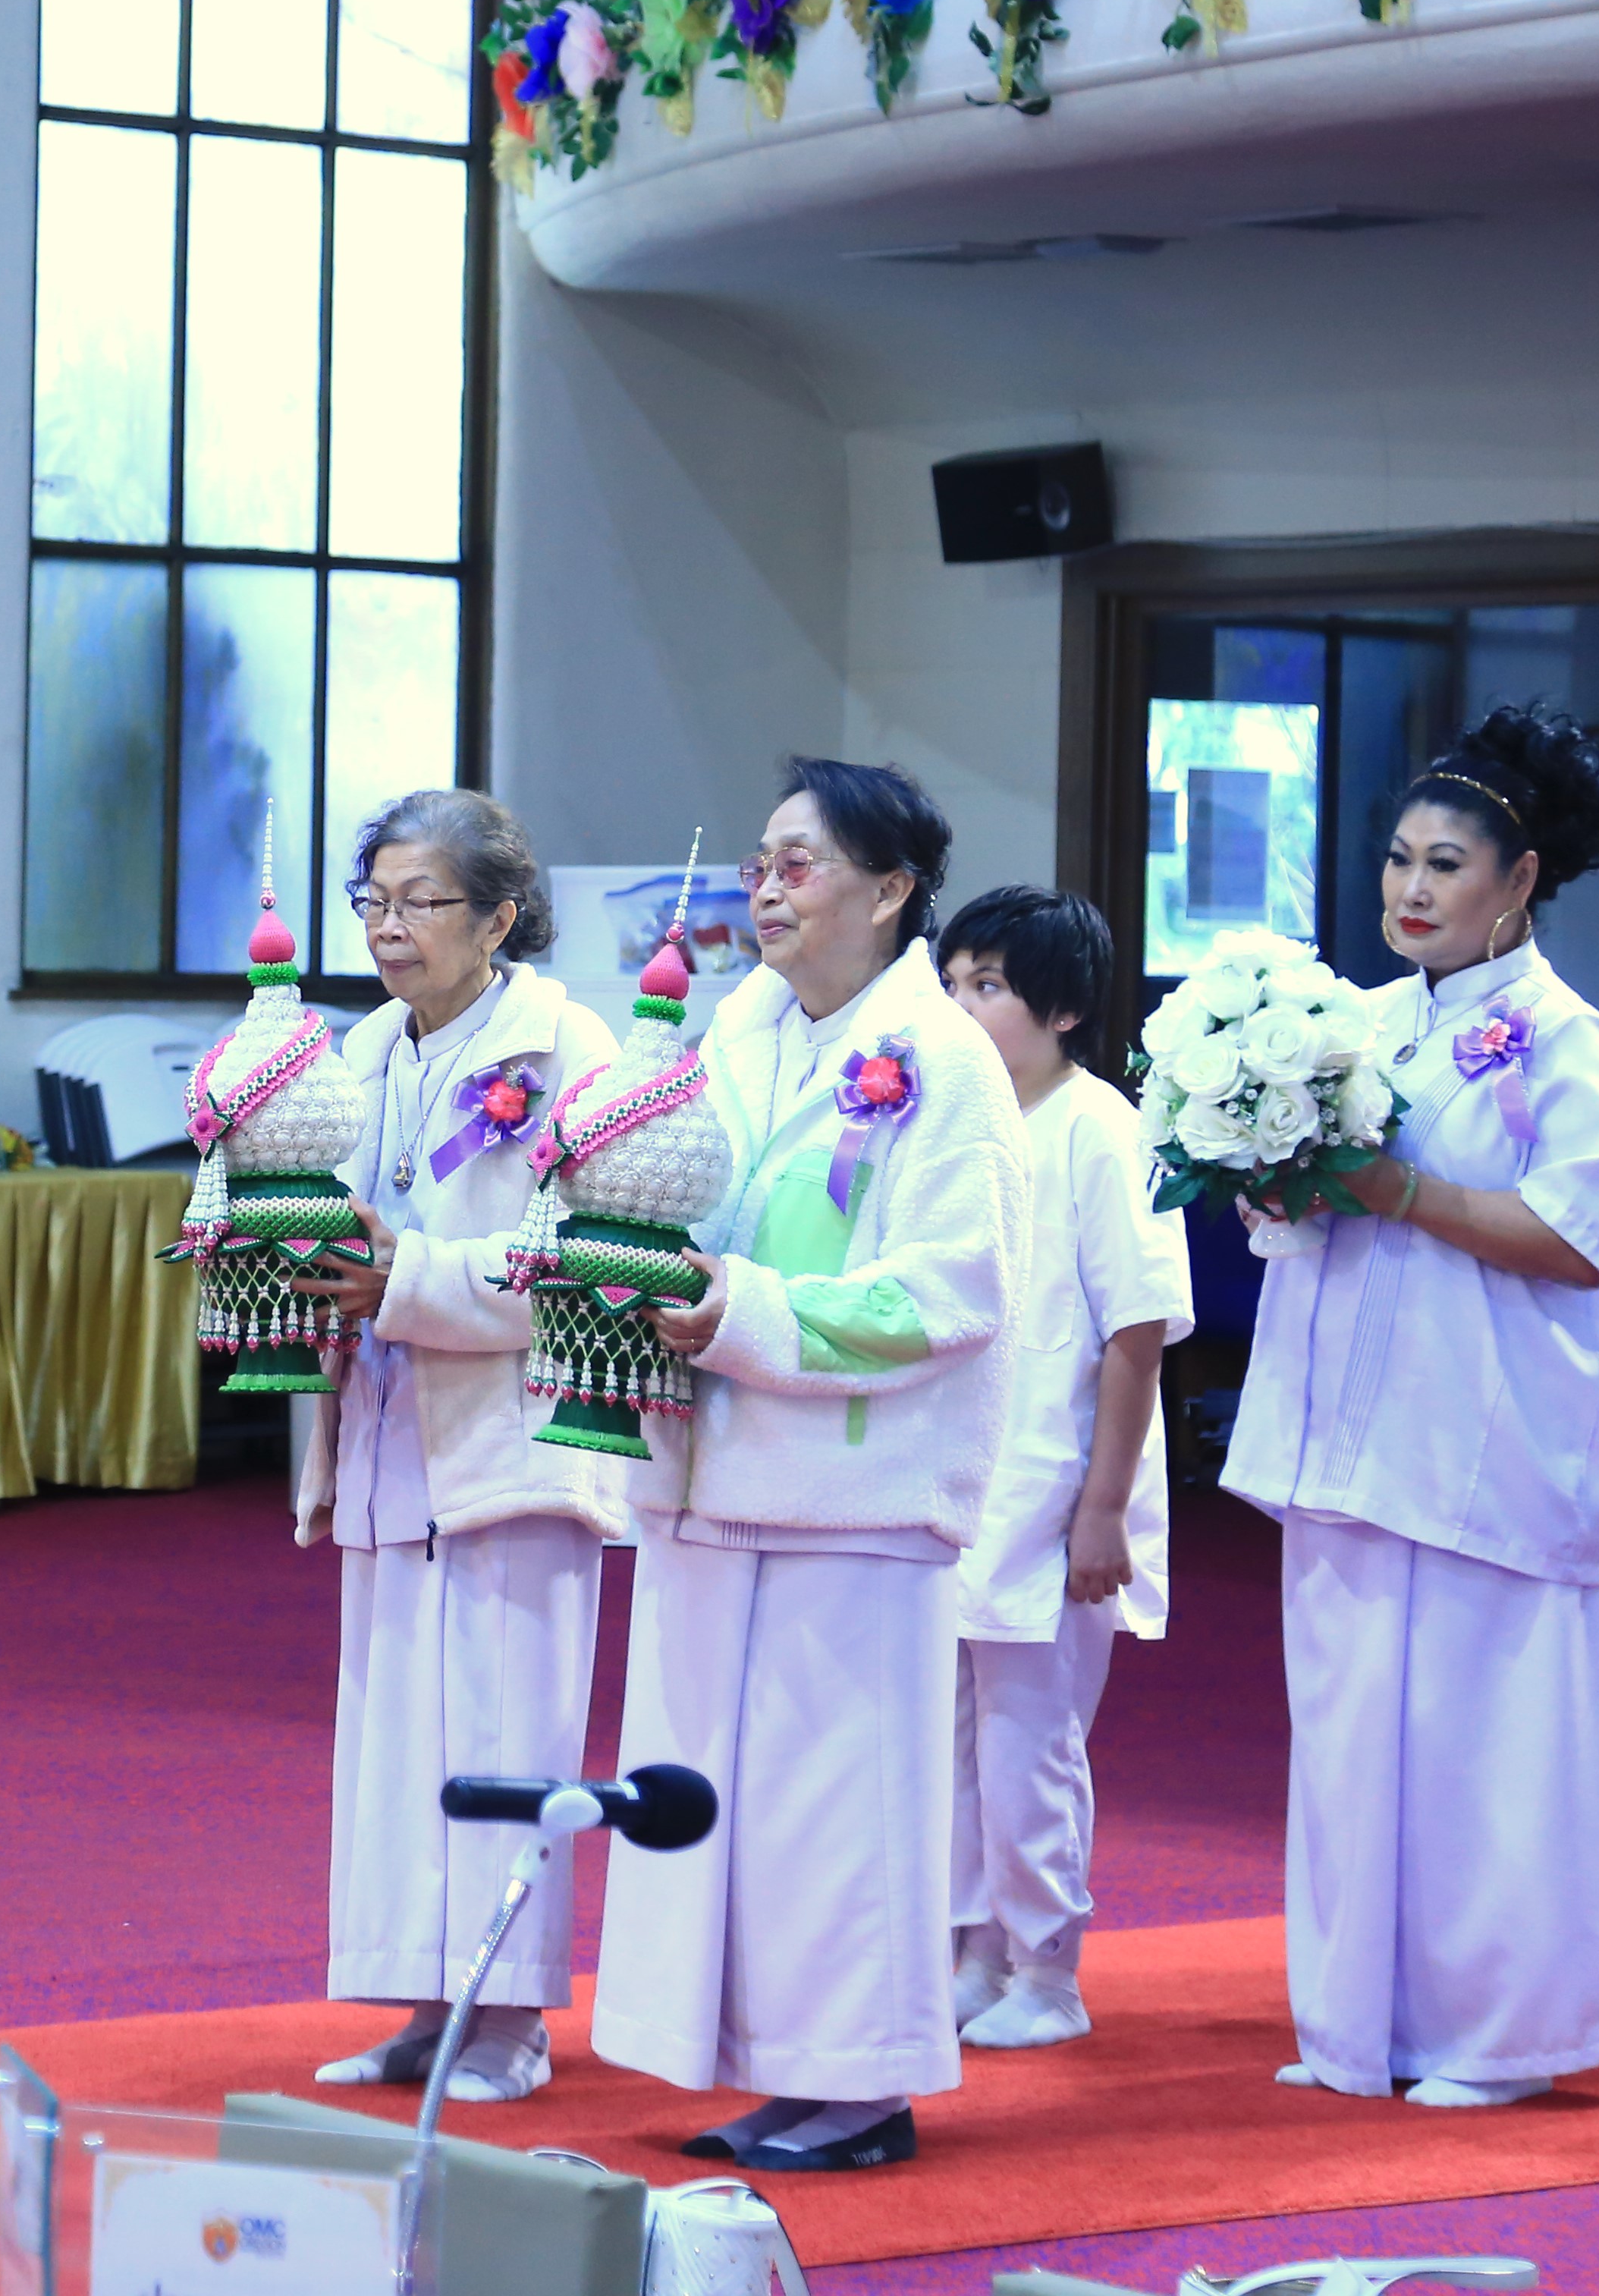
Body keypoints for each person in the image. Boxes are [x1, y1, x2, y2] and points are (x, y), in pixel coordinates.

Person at [592, 756, 1023, 2177]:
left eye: (801, 862)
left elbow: (953, 1293)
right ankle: (774, 2065)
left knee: (842, 1806)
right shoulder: (740, 1025)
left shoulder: (946, 1057)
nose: (766, 889)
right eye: (761, 862)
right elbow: (685, 1190)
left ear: (891, 890)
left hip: (854, 1493)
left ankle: (863, 2085)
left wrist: (741, 1314)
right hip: (715, 1474)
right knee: (730, 1806)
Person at [1221, 705, 1599, 2109]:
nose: (1411, 889)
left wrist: (1400, 1191)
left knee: (1481, 1754)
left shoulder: (1571, 1046)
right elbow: (1317, 1204)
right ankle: (1359, 2029)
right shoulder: (1358, 1025)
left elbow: (1579, 1236)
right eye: (1400, 859)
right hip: (1356, 1432)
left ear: (1519, 883)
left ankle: (1501, 2040)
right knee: (1353, 1743)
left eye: (1447, 865)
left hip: (1485, 1442)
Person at [284, 790, 627, 2106]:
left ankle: (512, 2021)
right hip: (384, 1422)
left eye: (421, 900)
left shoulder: (570, 1048)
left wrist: (406, 1276)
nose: (388, 925)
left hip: (513, 1439)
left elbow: (592, 1256)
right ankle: (428, 2005)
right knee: (396, 1740)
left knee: (503, 1731)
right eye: (371, 899)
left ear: (500, 915)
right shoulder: (363, 1049)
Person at [936, 886, 1192, 2051]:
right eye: (952, 982)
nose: (961, 1005)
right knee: (951, 1730)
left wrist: (1104, 1508)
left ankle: (1049, 1968)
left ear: (1066, 1011)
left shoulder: (1102, 1129)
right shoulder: (954, 1122)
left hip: (1059, 1483)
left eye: (988, 986)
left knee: (1033, 1739)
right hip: (958, 1473)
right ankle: (972, 1946)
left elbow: (1136, 1331)